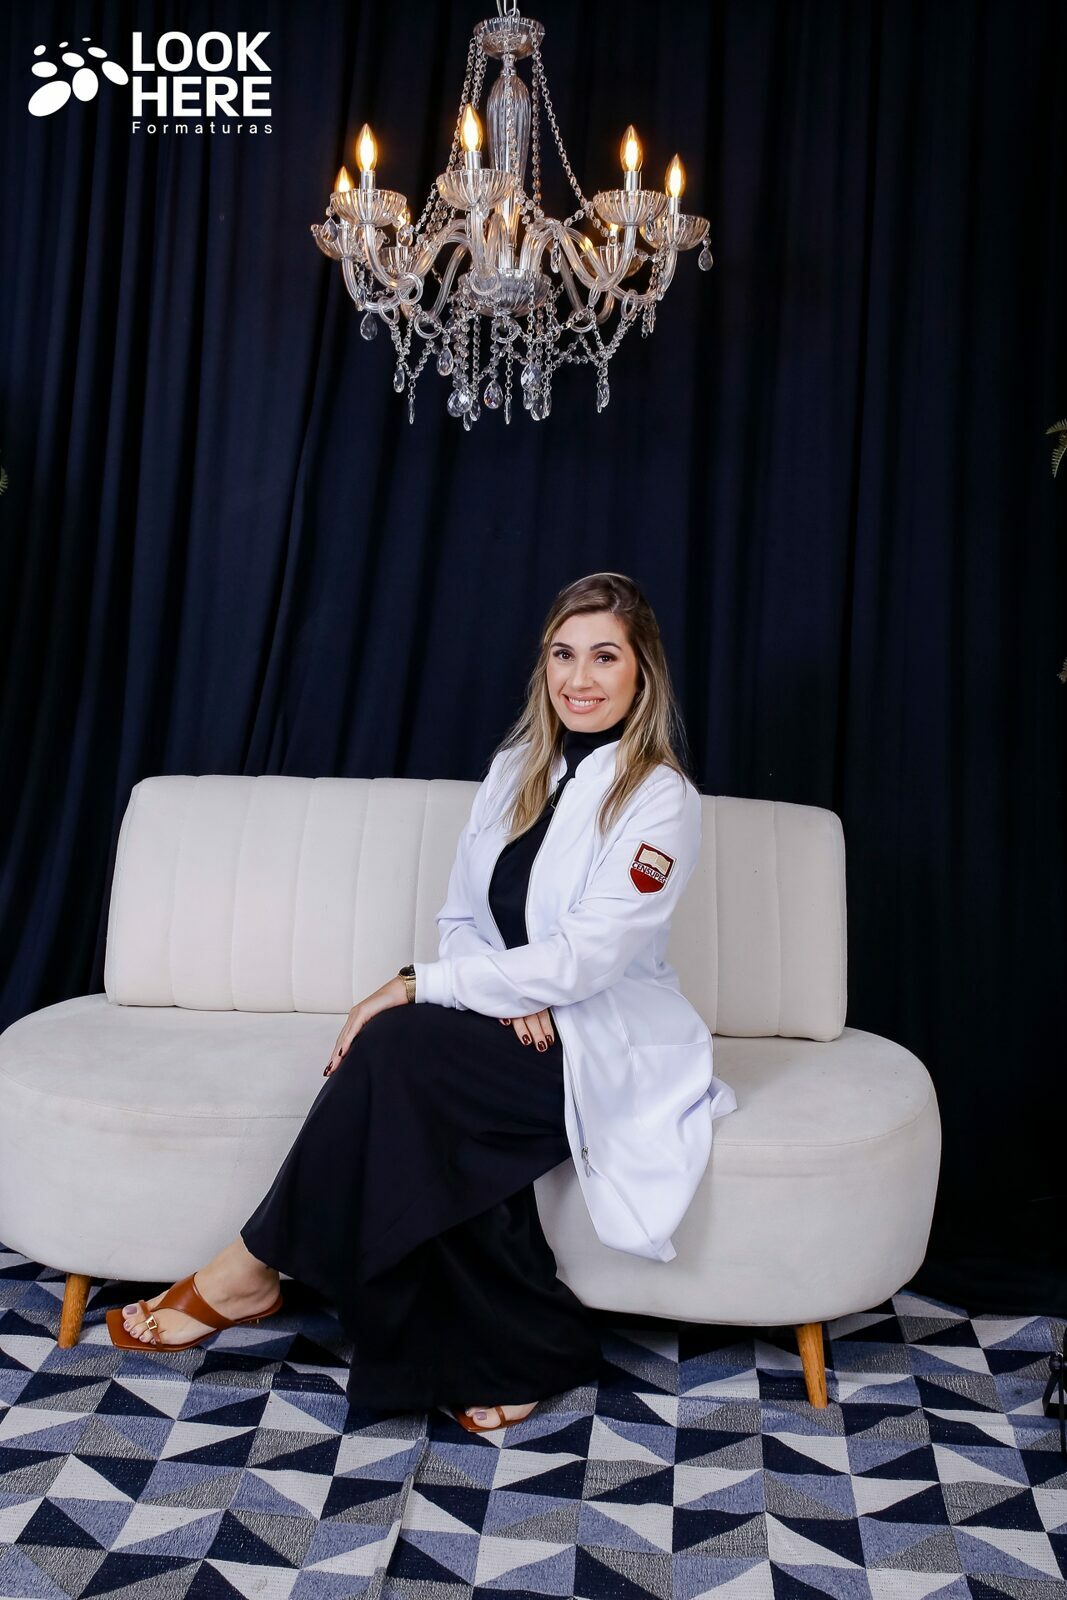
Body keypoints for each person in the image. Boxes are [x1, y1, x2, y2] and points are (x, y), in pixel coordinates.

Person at [106, 571, 738, 1432]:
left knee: (397, 1047)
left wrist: (421, 984)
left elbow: (587, 959)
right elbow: (461, 918)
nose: (579, 678)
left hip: (605, 1041)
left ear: (642, 673)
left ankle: (250, 1267)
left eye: (604, 657)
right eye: (562, 655)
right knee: (415, 1090)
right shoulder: (515, 769)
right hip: (519, 1020)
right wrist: (501, 991)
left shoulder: (661, 799)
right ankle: (520, 1348)